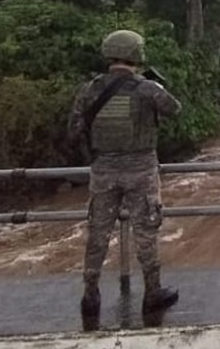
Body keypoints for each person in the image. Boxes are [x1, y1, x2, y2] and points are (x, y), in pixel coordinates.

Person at [69, 30, 182, 322]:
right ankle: (152, 292)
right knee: (145, 232)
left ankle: (90, 294)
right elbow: (174, 109)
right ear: (137, 54)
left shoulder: (90, 89)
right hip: (141, 170)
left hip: (103, 170)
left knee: (97, 233)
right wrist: (158, 85)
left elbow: (74, 128)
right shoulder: (146, 88)